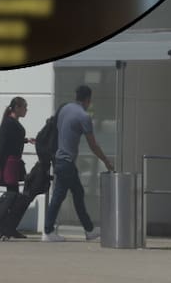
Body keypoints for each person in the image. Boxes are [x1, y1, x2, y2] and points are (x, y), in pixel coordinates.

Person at [42, 85, 114, 242]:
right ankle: (48, 231)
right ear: (88, 100)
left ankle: (89, 229)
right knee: (60, 195)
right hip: (66, 162)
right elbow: (93, 145)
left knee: (77, 193)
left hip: (60, 159)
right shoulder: (83, 116)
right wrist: (106, 161)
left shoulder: (64, 109)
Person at [0, 96, 35, 239]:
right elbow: (3, 145)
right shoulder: (8, 123)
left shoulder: (13, 123)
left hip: (14, 161)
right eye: (24, 107)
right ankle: (2, 226)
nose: (26, 110)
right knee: (12, 195)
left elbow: (14, 139)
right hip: (8, 162)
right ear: (17, 107)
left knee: (13, 195)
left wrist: (26, 140)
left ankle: (8, 227)